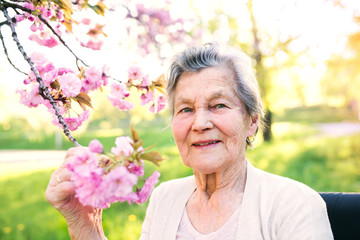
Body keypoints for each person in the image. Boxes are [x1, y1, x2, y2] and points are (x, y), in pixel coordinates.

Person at [46, 43, 333, 240]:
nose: (200, 123)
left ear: (252, 121)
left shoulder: (295, 206)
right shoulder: (164, 199)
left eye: (218, 105)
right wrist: (86, 227)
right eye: (185, 110)